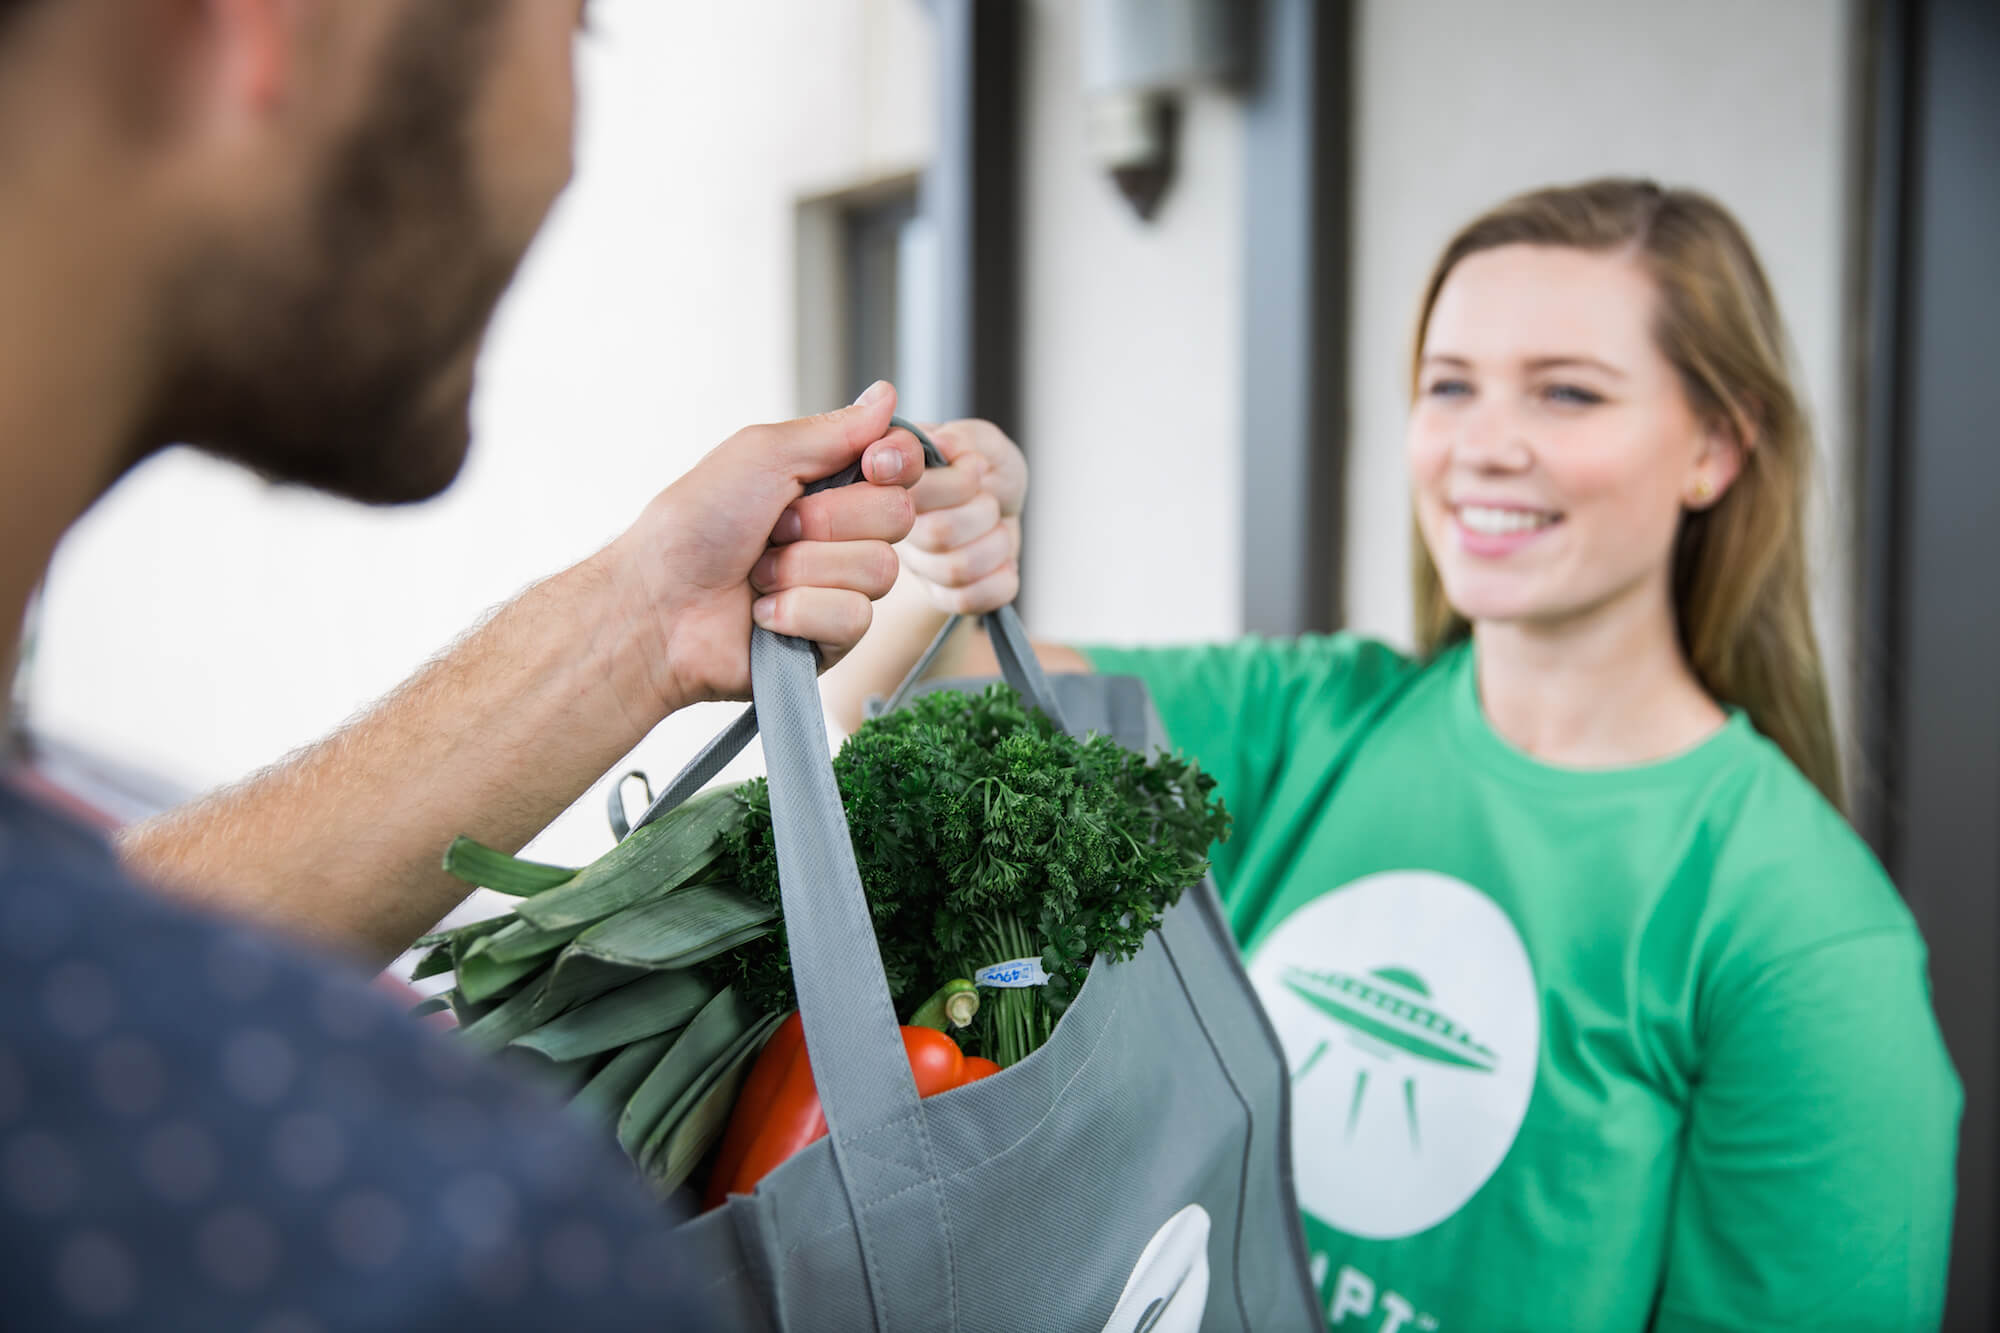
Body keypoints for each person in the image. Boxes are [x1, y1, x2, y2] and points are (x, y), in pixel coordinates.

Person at [824, 179, 1962, 1330]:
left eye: (1567, 392)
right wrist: (939, 554)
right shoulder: (1308, 717)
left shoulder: (1804, 934)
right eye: (1448, 386)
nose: (1483, 446)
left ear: (1713, 448)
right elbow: (888, 715)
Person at [1, 1, 926, 1326]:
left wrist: (639, 625)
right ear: (265, 24)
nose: (560, 153)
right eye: (577, 23)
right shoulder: (450, 1244)